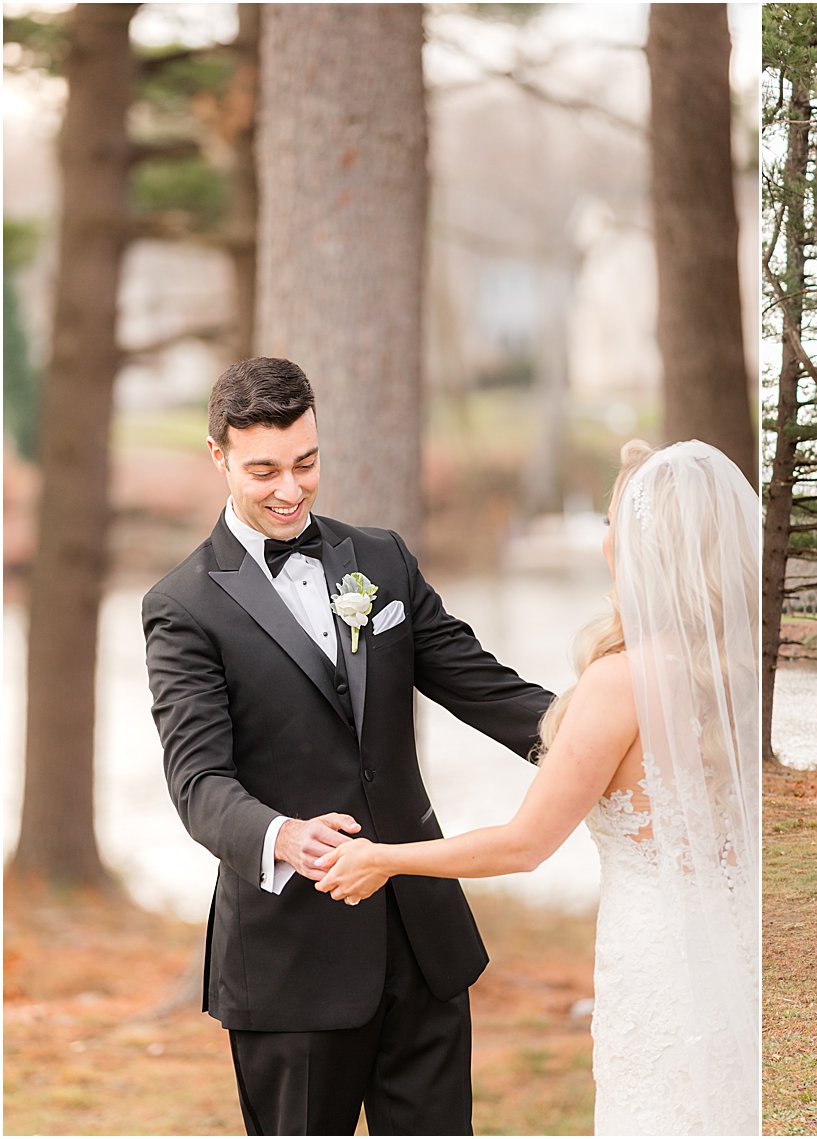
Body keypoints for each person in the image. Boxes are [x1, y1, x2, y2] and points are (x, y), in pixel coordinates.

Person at [142, 357, 556, 1134]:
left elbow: (482, 684)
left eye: (306, 462)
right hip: (291, 959)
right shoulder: (182, 606)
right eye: (263, 470)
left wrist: (598, 734)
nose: (291, 489)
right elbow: (198, 781)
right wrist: (284, 835)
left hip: (423, 936)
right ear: (217, 456)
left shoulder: (381, 560)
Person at [314, 439, 760, 1135]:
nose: (607, 541)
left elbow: (524, 845)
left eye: (614, 524)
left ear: (645, 546)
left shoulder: (623, 681)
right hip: (732, 945)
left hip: (657, 963)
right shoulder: (734, 675)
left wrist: (385, 857)